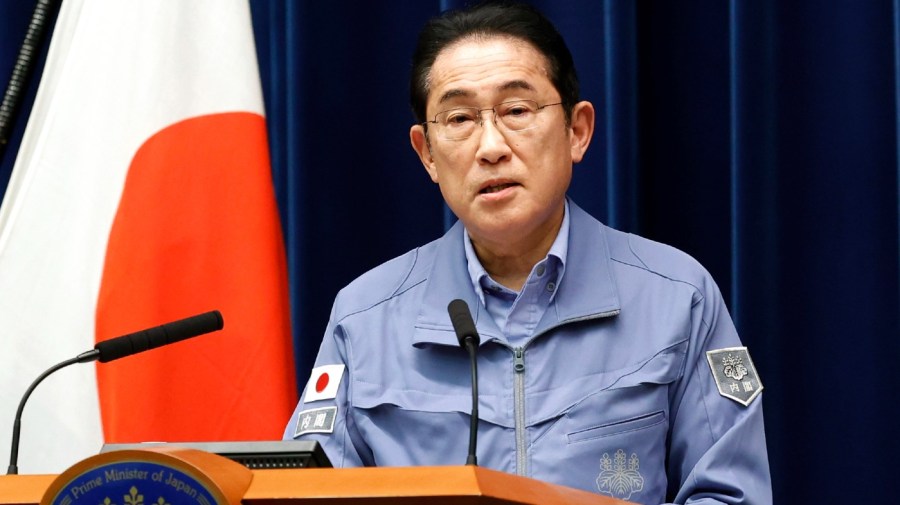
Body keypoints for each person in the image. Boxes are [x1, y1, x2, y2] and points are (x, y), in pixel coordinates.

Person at [284, 2, 772, 504]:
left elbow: (730, 495)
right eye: (459, 118)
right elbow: (303, 494)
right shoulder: (365, 318)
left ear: (577, 131)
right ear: (427, 153)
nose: (491, 146)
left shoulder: (676, 296)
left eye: (517, 110)